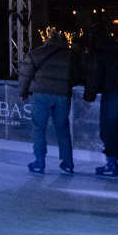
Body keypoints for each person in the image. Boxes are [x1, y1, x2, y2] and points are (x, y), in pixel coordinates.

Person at [84, 22, 118, 178]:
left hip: (113, 91)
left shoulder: (98, 50)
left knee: (109, 128)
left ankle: (112, 164)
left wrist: (89, 95)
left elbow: (94, 74)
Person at [18, 29, 76, 174]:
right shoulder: (70, 56)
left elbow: (25, 74)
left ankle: (39, 162)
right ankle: (68, 163)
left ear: (47, 40)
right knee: (63, 128)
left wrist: (22, 92)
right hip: (63, 95)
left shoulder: (36, 54)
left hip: (41, 94)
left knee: (39, 128)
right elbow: (78, 74)